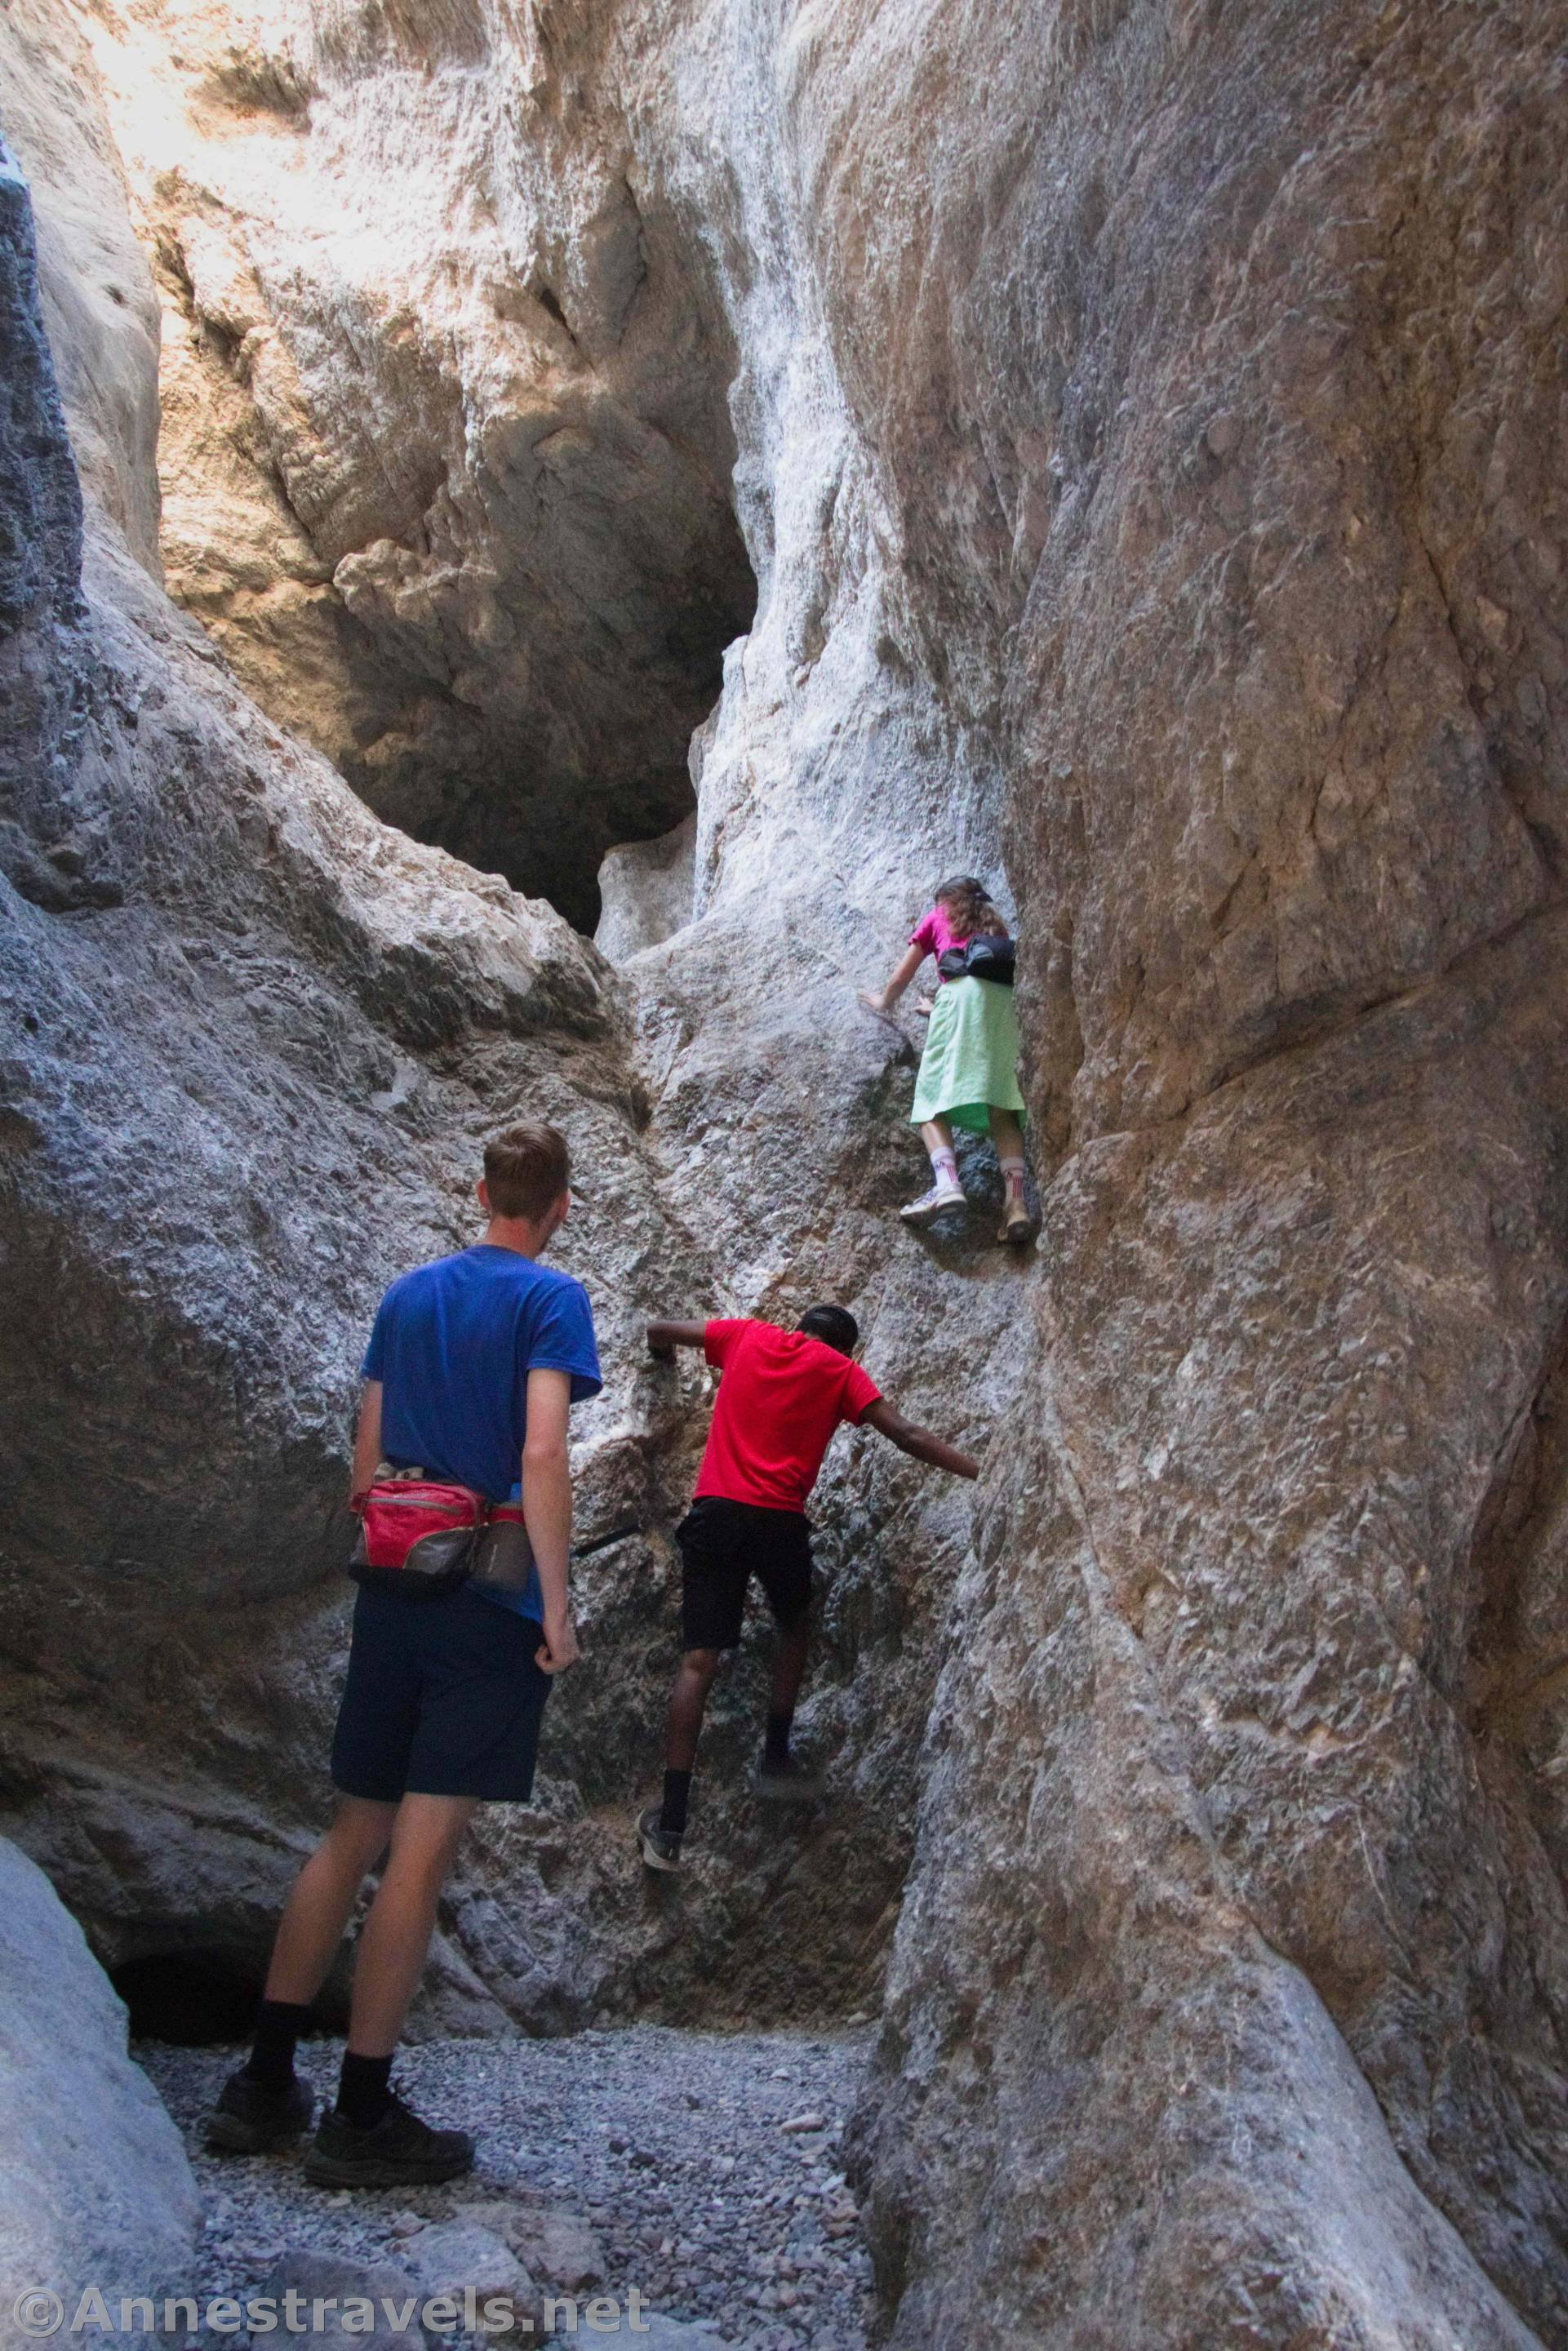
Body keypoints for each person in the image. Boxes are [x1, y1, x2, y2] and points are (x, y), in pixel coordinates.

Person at [206, 1122, 601, 2187]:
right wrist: (556, 1604)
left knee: (351, 1833)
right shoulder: (549, 1300)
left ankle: (262, 2085)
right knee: (419, 1856)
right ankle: (361, 2116)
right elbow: (542, 1449)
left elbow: (365, 1463)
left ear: (481, 1193)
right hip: (485, 1595)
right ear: (559, 1206)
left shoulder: (406, 1296)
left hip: (391, 1585)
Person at [636, 1306, 979, 1872]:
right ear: (846, 1349)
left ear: (799, 1328)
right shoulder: (839, 1372)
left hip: (716, 1515)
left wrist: (661, 1355)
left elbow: (659, 1328)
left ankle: (670, 1827)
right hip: (778, 1525)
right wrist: (979, 1473)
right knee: (795, 1624)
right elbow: (905, 1432)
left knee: (698, 1661)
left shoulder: (748, 1335)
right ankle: (774, 1756)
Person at [860, 873, 1034, 1242]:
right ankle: (1016, 1203)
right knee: (1002, 1107)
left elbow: (904, 976)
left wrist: (883, 1001)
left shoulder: (939, 916)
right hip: (1003, 1008)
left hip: (957, 1002)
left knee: (930, 1104)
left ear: (946, 899)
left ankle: (947, 1184)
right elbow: (981, 976)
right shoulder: (994, 927)